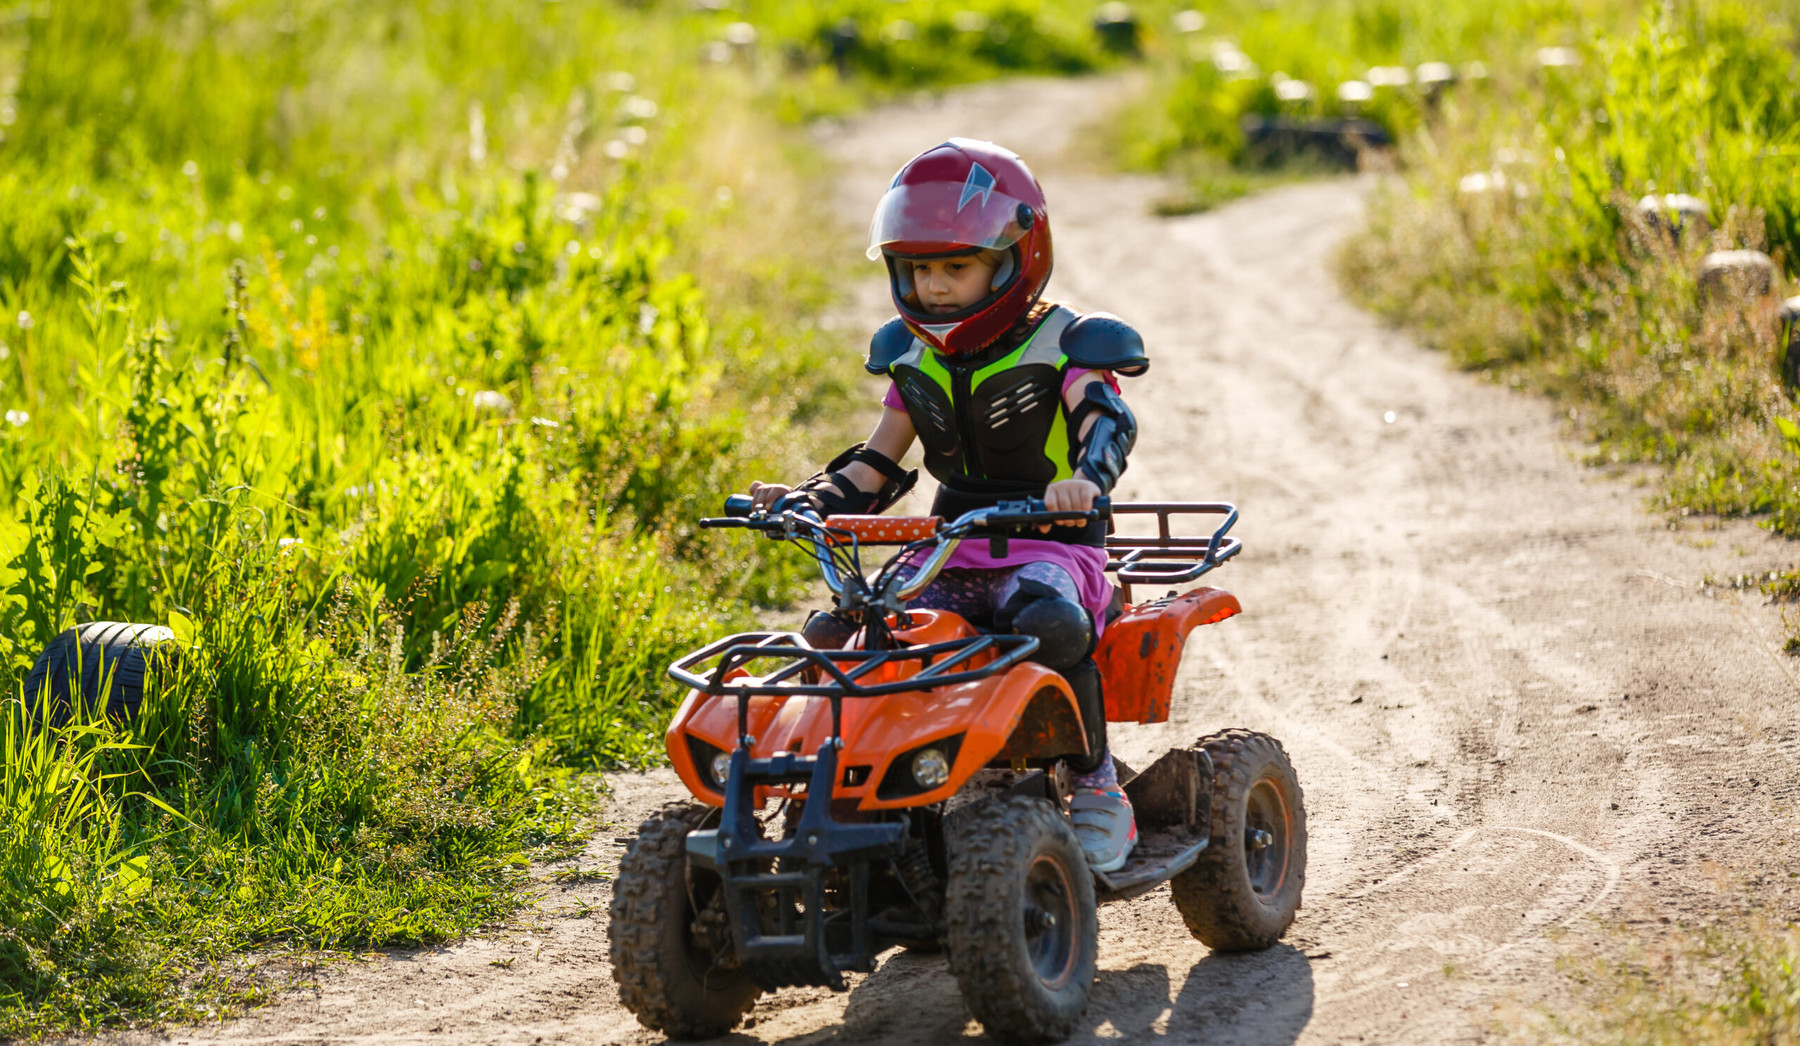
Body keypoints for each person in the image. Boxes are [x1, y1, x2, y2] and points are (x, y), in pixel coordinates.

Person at [745, 138, 1147, 873]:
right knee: (840, 631)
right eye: (919, 267)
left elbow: (1106, 422)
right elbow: (874, 463)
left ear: (1014, 257)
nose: (933, 286)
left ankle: (1096, 785)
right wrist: (804, 501)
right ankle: (843, 790)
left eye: (954, 267)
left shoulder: (1073, 342)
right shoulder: (913, 355)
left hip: (1054, 549)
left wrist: (1088, 479)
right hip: (950, 546)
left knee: (1047, 624)